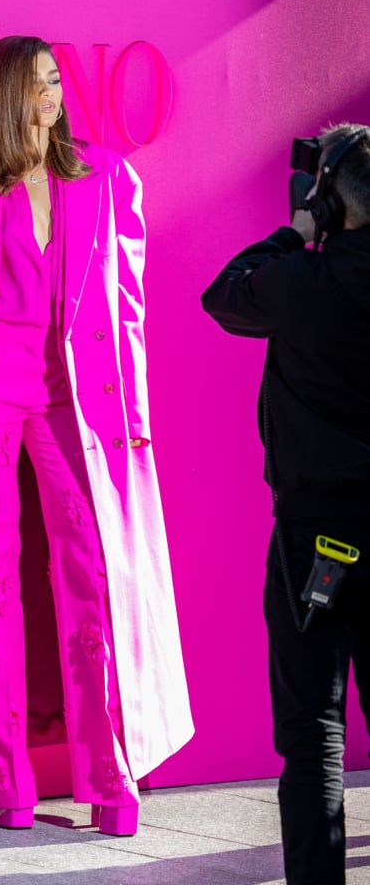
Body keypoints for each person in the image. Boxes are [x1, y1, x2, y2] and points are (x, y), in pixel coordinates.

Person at [0, 34, 193, 834]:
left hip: (72, 398)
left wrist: (131, 414)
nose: (53, 96)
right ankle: (6, 781)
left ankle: (109, 776)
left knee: (92, 575)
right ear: (2, 99)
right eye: (37, 84)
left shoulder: (103, 177)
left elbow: (125, 305)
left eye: (58, 81)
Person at [201, 123, 370, 885]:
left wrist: (294, 230)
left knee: (313, 731)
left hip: (321, 538)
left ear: (327, 202)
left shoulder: (304, 281)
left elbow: (223, 294)